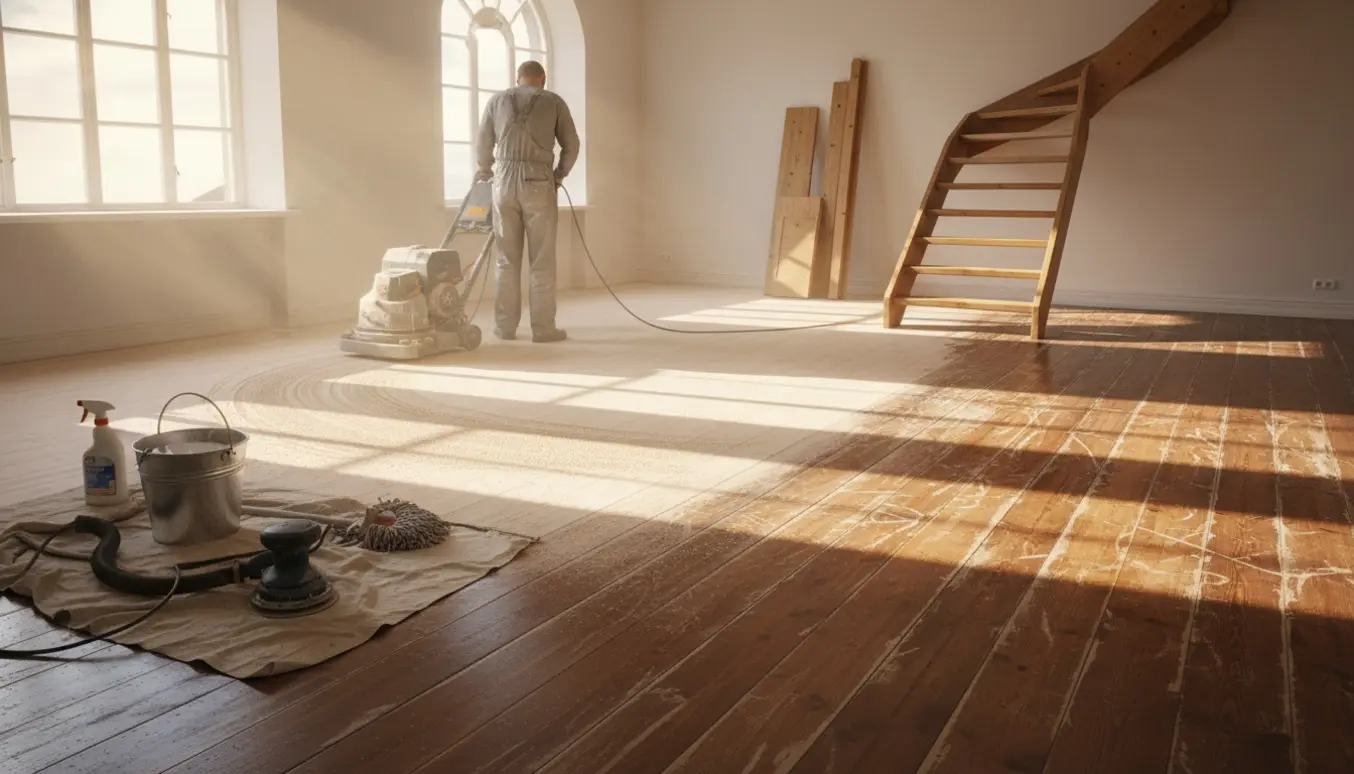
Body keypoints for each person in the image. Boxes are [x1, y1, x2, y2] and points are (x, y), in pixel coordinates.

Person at [475, 60, 580, 343]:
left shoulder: (496, 101)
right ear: (542, 79)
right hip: (538, 181)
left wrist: (486, 170)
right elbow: (572, 144)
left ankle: (504, 327)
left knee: (506, 260)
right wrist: (558, 176)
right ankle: (543, 329)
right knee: (542, 259)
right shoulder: (553, 101)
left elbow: (483, 142)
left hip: (503, 183)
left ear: (518, 78)